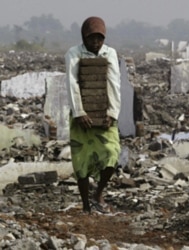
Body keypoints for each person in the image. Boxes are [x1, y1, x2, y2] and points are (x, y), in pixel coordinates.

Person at [64, 16, 121, 214]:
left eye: (99, 38)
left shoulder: (110, 53)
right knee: (81, 161)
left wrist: (113, 112)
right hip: (81, 118)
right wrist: (79, 112)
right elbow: (72, 84)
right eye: (91, 38)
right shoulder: (74, 53)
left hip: (105, 115)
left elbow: (114, 84)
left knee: (112, 154)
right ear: (84, 37)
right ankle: (86, 205)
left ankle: (98, 194)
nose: (95, 43)